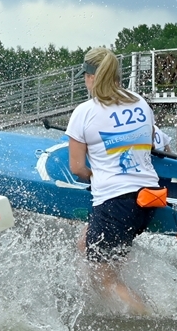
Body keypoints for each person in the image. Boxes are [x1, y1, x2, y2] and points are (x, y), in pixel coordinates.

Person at [66, 46, 164, 314]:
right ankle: (106, 312)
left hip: (115, 203)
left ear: (90, 77)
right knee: (85, 244)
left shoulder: (84, 112)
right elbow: (150, 144)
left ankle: (154, 320)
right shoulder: (140, 102)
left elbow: (77, 168)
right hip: (148, 198)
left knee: (104, 278)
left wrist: (95, 175)